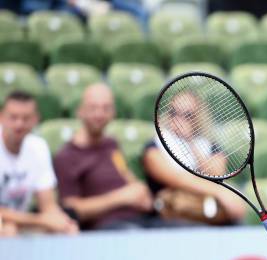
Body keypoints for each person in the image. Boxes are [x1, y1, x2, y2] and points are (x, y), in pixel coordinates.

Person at [54, 83, 159, 230]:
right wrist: (121, 198)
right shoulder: (66, 156)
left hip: (141, 218)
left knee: (188, 230)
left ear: (113, 112)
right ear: (80, 111)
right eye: (93, 108)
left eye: (106, 108)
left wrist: (140, 191)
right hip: (107, 227)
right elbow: (71, 209)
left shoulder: (111, 144)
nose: (99, 114)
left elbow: (124, 173)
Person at [142, 90, 246, 225]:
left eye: (188, 115)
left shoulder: (208, 145)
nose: (179, 120)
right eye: (174, 113)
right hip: (170, 216)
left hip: (207, 211)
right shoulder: (155, 145)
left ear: (198, 116)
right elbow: (176, 179)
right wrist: (221, 193)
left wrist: (190, 141)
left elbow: (217, 174)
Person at [0, 90, 78, 236]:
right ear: (1, 118)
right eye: (13, 117)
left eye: (26, 118)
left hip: (20, 223)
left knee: (66, 229)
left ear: (35, 119)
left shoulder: (38, 147)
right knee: (7, 231)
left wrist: (63, 223)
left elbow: (48, 205)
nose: (19, 124)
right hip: (14, 224)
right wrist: (41, 220)